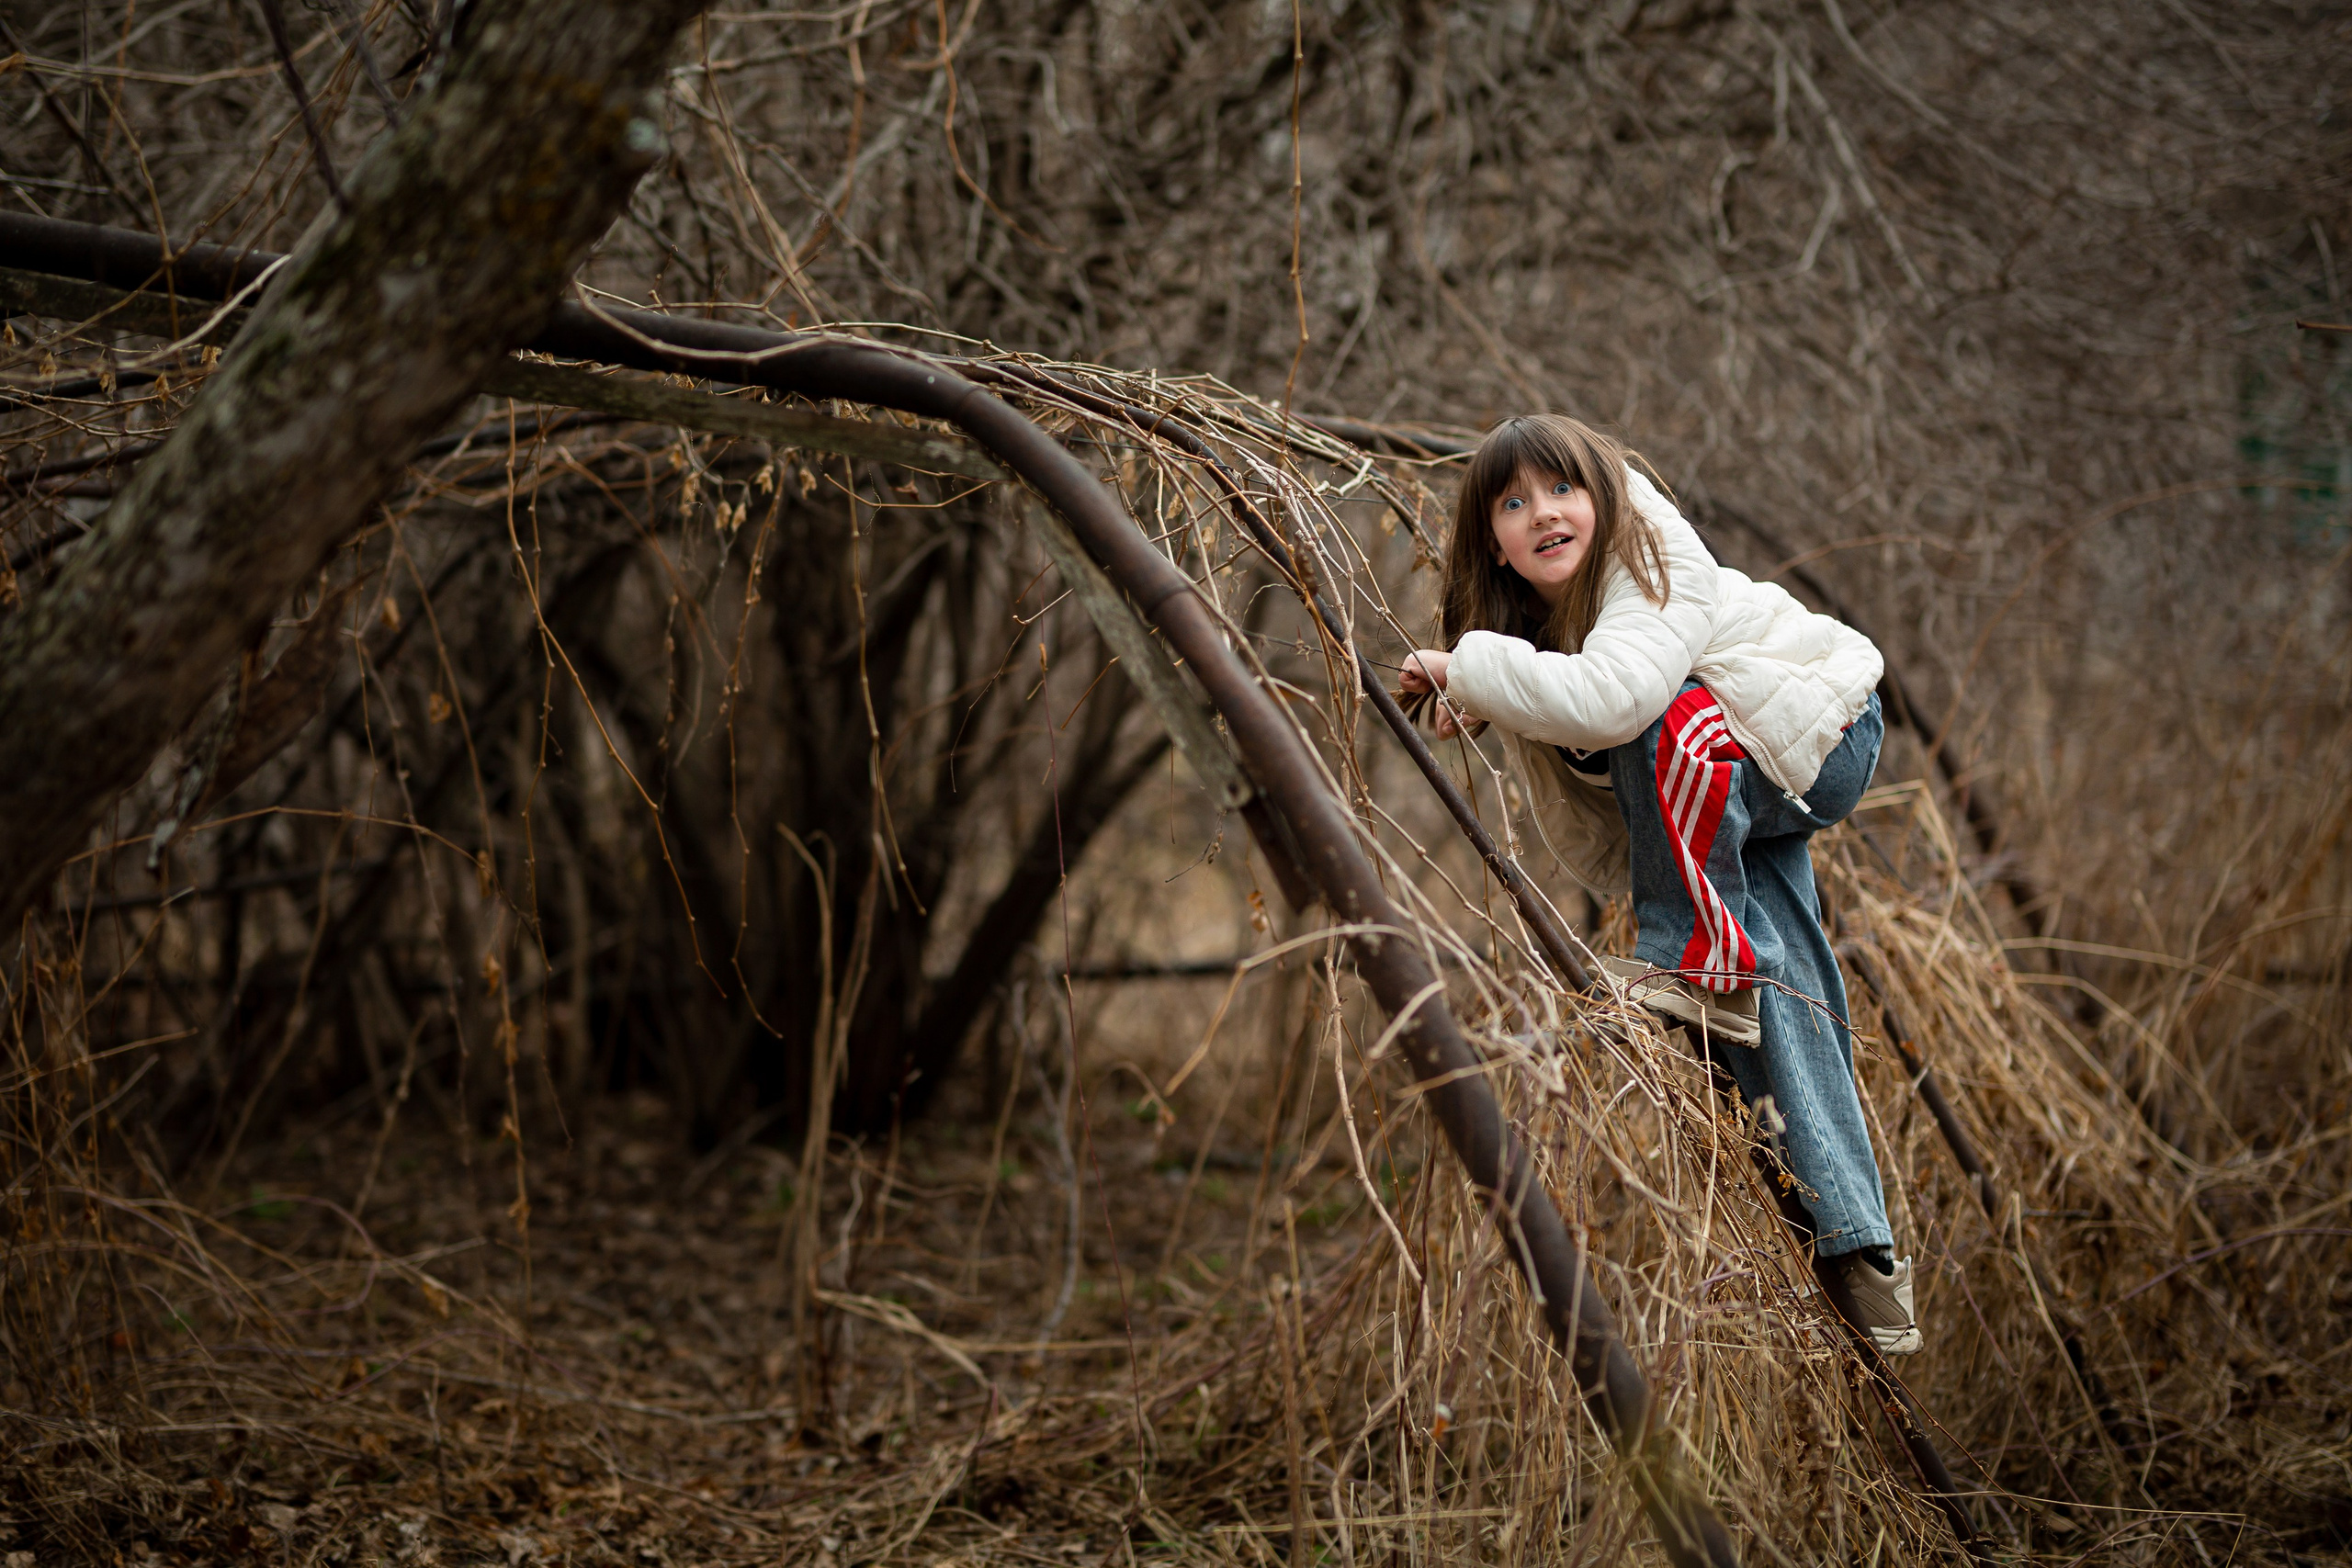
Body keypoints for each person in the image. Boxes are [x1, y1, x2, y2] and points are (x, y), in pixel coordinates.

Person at [1397, 412, 1921, 1355]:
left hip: (1823, 733)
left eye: (1562, 488)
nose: (1543, 513)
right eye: (1512, 504)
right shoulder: (1536, 626)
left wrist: (1470, 669)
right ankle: (1858, 1250)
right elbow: (1573, 709)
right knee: (1785, 986)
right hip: (1727, 786)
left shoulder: (1650, 558)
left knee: (1662, 710)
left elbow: (1619, 702)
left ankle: (1694, 955)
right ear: (1494, 546)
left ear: (1603, 494)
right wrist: (1486, 688)